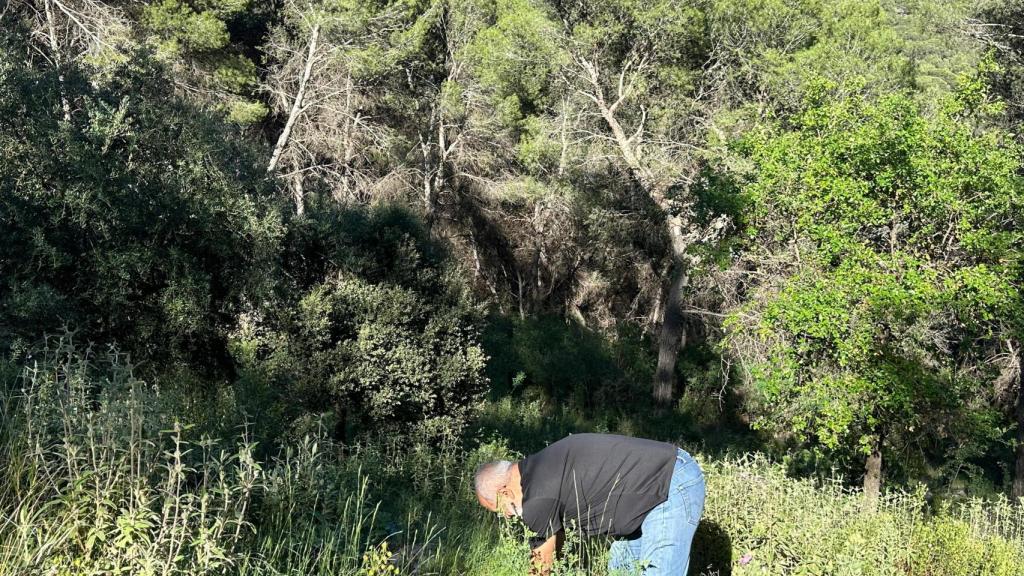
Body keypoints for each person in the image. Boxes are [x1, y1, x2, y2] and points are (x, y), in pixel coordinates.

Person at [474, 433, 705, 575]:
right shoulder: (536, 469)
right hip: (644, 494)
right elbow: (557, 541)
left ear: (504, 491)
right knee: (620, 571)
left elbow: (541, 568)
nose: (505, 516)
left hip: (668, 481)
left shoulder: (536, 499)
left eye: (499, 508)